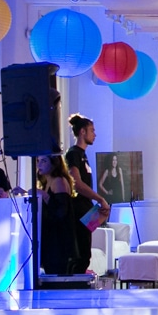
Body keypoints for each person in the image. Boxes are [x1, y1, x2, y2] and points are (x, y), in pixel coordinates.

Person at [65, 115, 109, 263]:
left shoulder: (83, 155)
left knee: (86, 254)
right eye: (92, 130)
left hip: (86, 209)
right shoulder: (73, 154)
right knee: (81, 255)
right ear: (82, 132)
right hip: (76, 211)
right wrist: (100, 198)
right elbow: (76, 183)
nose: (94, 134)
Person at [39, 154, 86, 275]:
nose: (39, 165)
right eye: (38, 161)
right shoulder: (46, 183)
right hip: (51, 239)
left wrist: (45, 196)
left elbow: (61, 212)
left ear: (54, 163)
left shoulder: (58, 181)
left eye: (43, 161)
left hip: (59, 242)